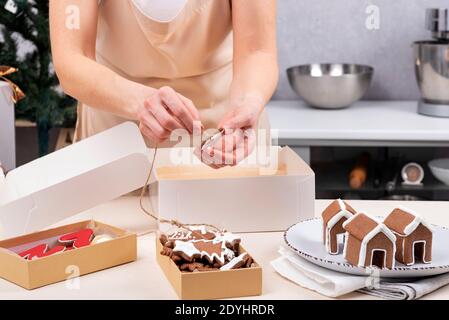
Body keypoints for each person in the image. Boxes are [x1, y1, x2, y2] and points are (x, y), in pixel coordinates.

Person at [50, 0, 278, 167]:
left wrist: (247, 102)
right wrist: (139, 102)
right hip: (117, 132)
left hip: (223, 130)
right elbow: (72, 58)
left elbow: (257, 51)